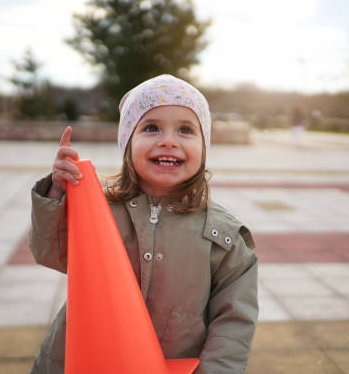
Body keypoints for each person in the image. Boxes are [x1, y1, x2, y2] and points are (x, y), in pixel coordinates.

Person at [29, 74, 258, 374]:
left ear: (204, 148)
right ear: (128, 143)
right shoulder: (97, 208)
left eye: (186, 130)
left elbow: (233, 324)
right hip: (84, 359)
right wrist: (58, 194)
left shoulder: (224, 237)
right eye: (151, 128)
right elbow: (50, 253)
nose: (168, 140)